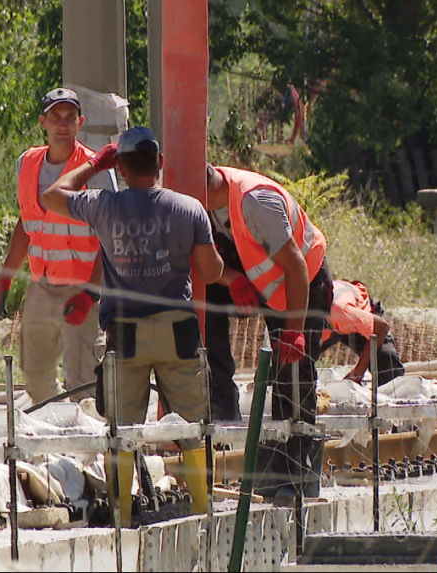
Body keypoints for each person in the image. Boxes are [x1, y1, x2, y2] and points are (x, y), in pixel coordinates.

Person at [41, 126, 225, 526]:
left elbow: (50, 196)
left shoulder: (103, 206)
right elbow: (211, 270)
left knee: (123, 431)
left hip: (125, 336)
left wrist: (93, 163)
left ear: (121, 168)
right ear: (159, 162)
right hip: (178, 332)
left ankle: (123, 516)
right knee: (194, 426)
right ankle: (201, 510)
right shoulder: (189, 208)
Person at [204, 164, 333, 505]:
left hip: (303, 285)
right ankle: (221, 408)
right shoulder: (205, 205)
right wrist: (233, 279)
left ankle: (295, 473)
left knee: (293, 374)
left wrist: (294, 331)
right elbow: (201, 261)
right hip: (263, 285)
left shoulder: (255, 202)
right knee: (203, 304)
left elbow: (296, 266)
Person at [0, 87, 118, 404]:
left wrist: (91, 293)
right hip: (42, 286)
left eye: (69, 118)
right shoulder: (27, 163)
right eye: (55, 117)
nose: (62, 124)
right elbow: (26, 224)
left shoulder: (94, 169)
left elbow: (111, 237)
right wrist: (5, 278)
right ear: (42, 122)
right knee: (37, 380)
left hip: (82, 290)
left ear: (80, 123)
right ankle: (57, 443)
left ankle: (90, 448)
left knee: (85, 385)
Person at [319, 279, 404, 385]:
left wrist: (358, 372)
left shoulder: (342, 312)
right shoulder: (300, 317)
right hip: (333, 322)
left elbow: (381, 327)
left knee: (388, 366)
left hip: (357, 314)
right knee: (301, 360)